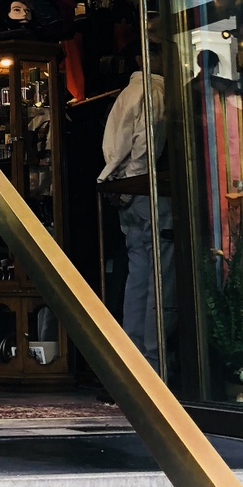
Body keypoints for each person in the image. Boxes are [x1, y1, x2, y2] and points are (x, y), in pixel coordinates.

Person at [98, 62, 174, 368]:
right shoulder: (153, 90)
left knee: (138, 272)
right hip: (144, 191)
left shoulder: (126, 93)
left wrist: (118, 185)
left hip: (126, 189)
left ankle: (133, 356)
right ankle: (153, 359)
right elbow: (147, 146)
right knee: (159, 275)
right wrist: (130, 187)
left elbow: (116, 149)